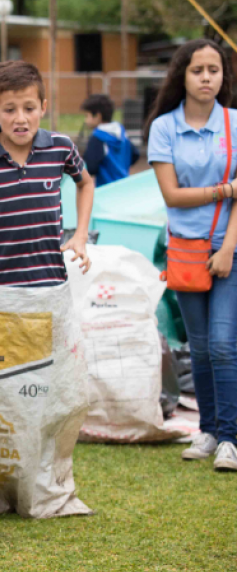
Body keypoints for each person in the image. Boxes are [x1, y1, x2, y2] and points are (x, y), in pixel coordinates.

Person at [145, 39, 237, 471]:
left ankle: (230, 438)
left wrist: (228, 250)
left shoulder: (236, 124)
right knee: (198, 348)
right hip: (184, 250)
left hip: (230, 249)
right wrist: (225, 189)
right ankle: (209, 430)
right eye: (197, 69)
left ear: (224, 76)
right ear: (182, 74)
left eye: (214, 70)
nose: (206, 77)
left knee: (222, 344)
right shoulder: (164, 127)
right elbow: (172, 195)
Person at [0, 61, 94, 286]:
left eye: (29, 109)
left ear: (43, 108)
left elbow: (86, 184)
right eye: (9, 109)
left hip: (51, 278)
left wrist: (81, 234)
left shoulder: (60, 147)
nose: (20, 118)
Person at [81, 94, 140, 187]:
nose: (85, 120)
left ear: (97, 116)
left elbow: (91, 167)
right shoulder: (122, 133)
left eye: (87, 116)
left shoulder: (97, 138)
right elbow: (136, 154)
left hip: (106, 189)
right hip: (125, 185)